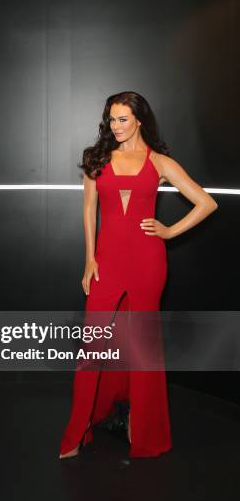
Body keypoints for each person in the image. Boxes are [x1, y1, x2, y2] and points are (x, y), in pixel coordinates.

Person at [59, 91, 218, 458]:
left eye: (122, 120)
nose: (115, 127)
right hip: (107, 261)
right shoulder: (97, 158)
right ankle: (79, 428)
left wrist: (169, 231)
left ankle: (143, 429)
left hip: (148, 262)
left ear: (139, 120)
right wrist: (89, 259)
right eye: (111, 119)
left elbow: (206, 202)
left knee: (145, 348)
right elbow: (89, 209)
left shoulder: (160, 162)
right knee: (94, 344)